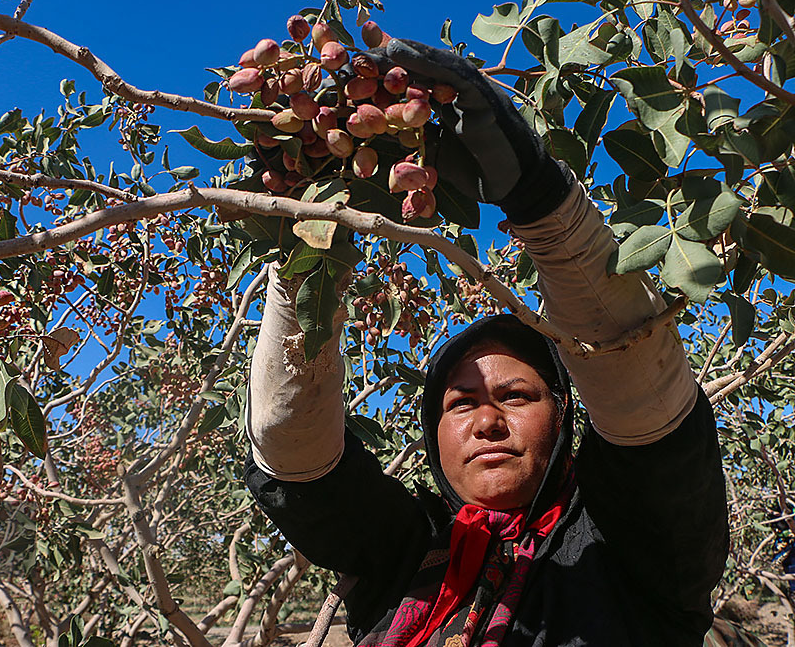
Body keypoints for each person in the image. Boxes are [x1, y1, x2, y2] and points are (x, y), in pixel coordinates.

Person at [243, 39, 728, 646]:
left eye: (517, 397)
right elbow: (295, 458)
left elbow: (653, 419)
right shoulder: (407, 550)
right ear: (433, 436)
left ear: (565, 417)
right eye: (460, 403)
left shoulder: (631, 547)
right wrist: (306, 263)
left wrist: (543, 204)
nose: (487, 422)